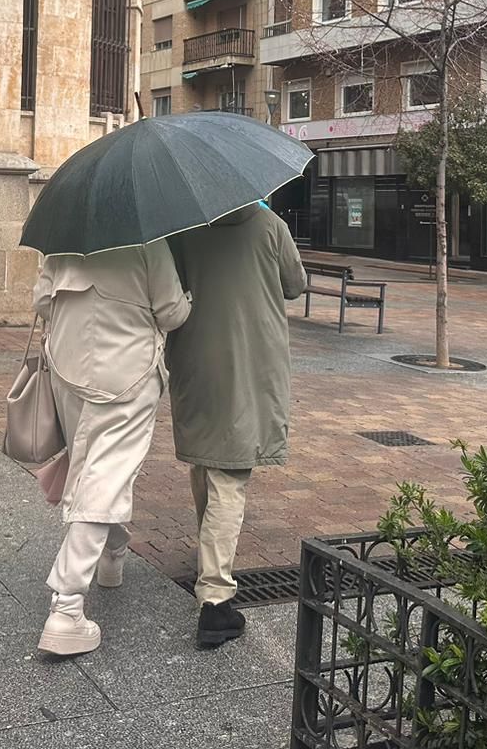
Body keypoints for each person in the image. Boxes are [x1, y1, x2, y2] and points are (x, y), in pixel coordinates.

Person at [32, 240, 191, 656]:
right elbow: (171, 313)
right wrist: (188, 299)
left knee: (93, 470)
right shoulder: (149, 242)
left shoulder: (62, 241)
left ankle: (113, 552)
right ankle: (66, 606)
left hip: (68, 370)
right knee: (107, 477)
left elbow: (42, 302)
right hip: (129, 374)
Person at [165, 203, 306, 649]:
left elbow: (169, 291)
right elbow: (295, 285)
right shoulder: (270, 225)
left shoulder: (183, 228)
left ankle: (209, 548)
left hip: (196, 360)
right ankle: (215, 599)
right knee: (231, 472)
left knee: (206, 459)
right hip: (252, 360)